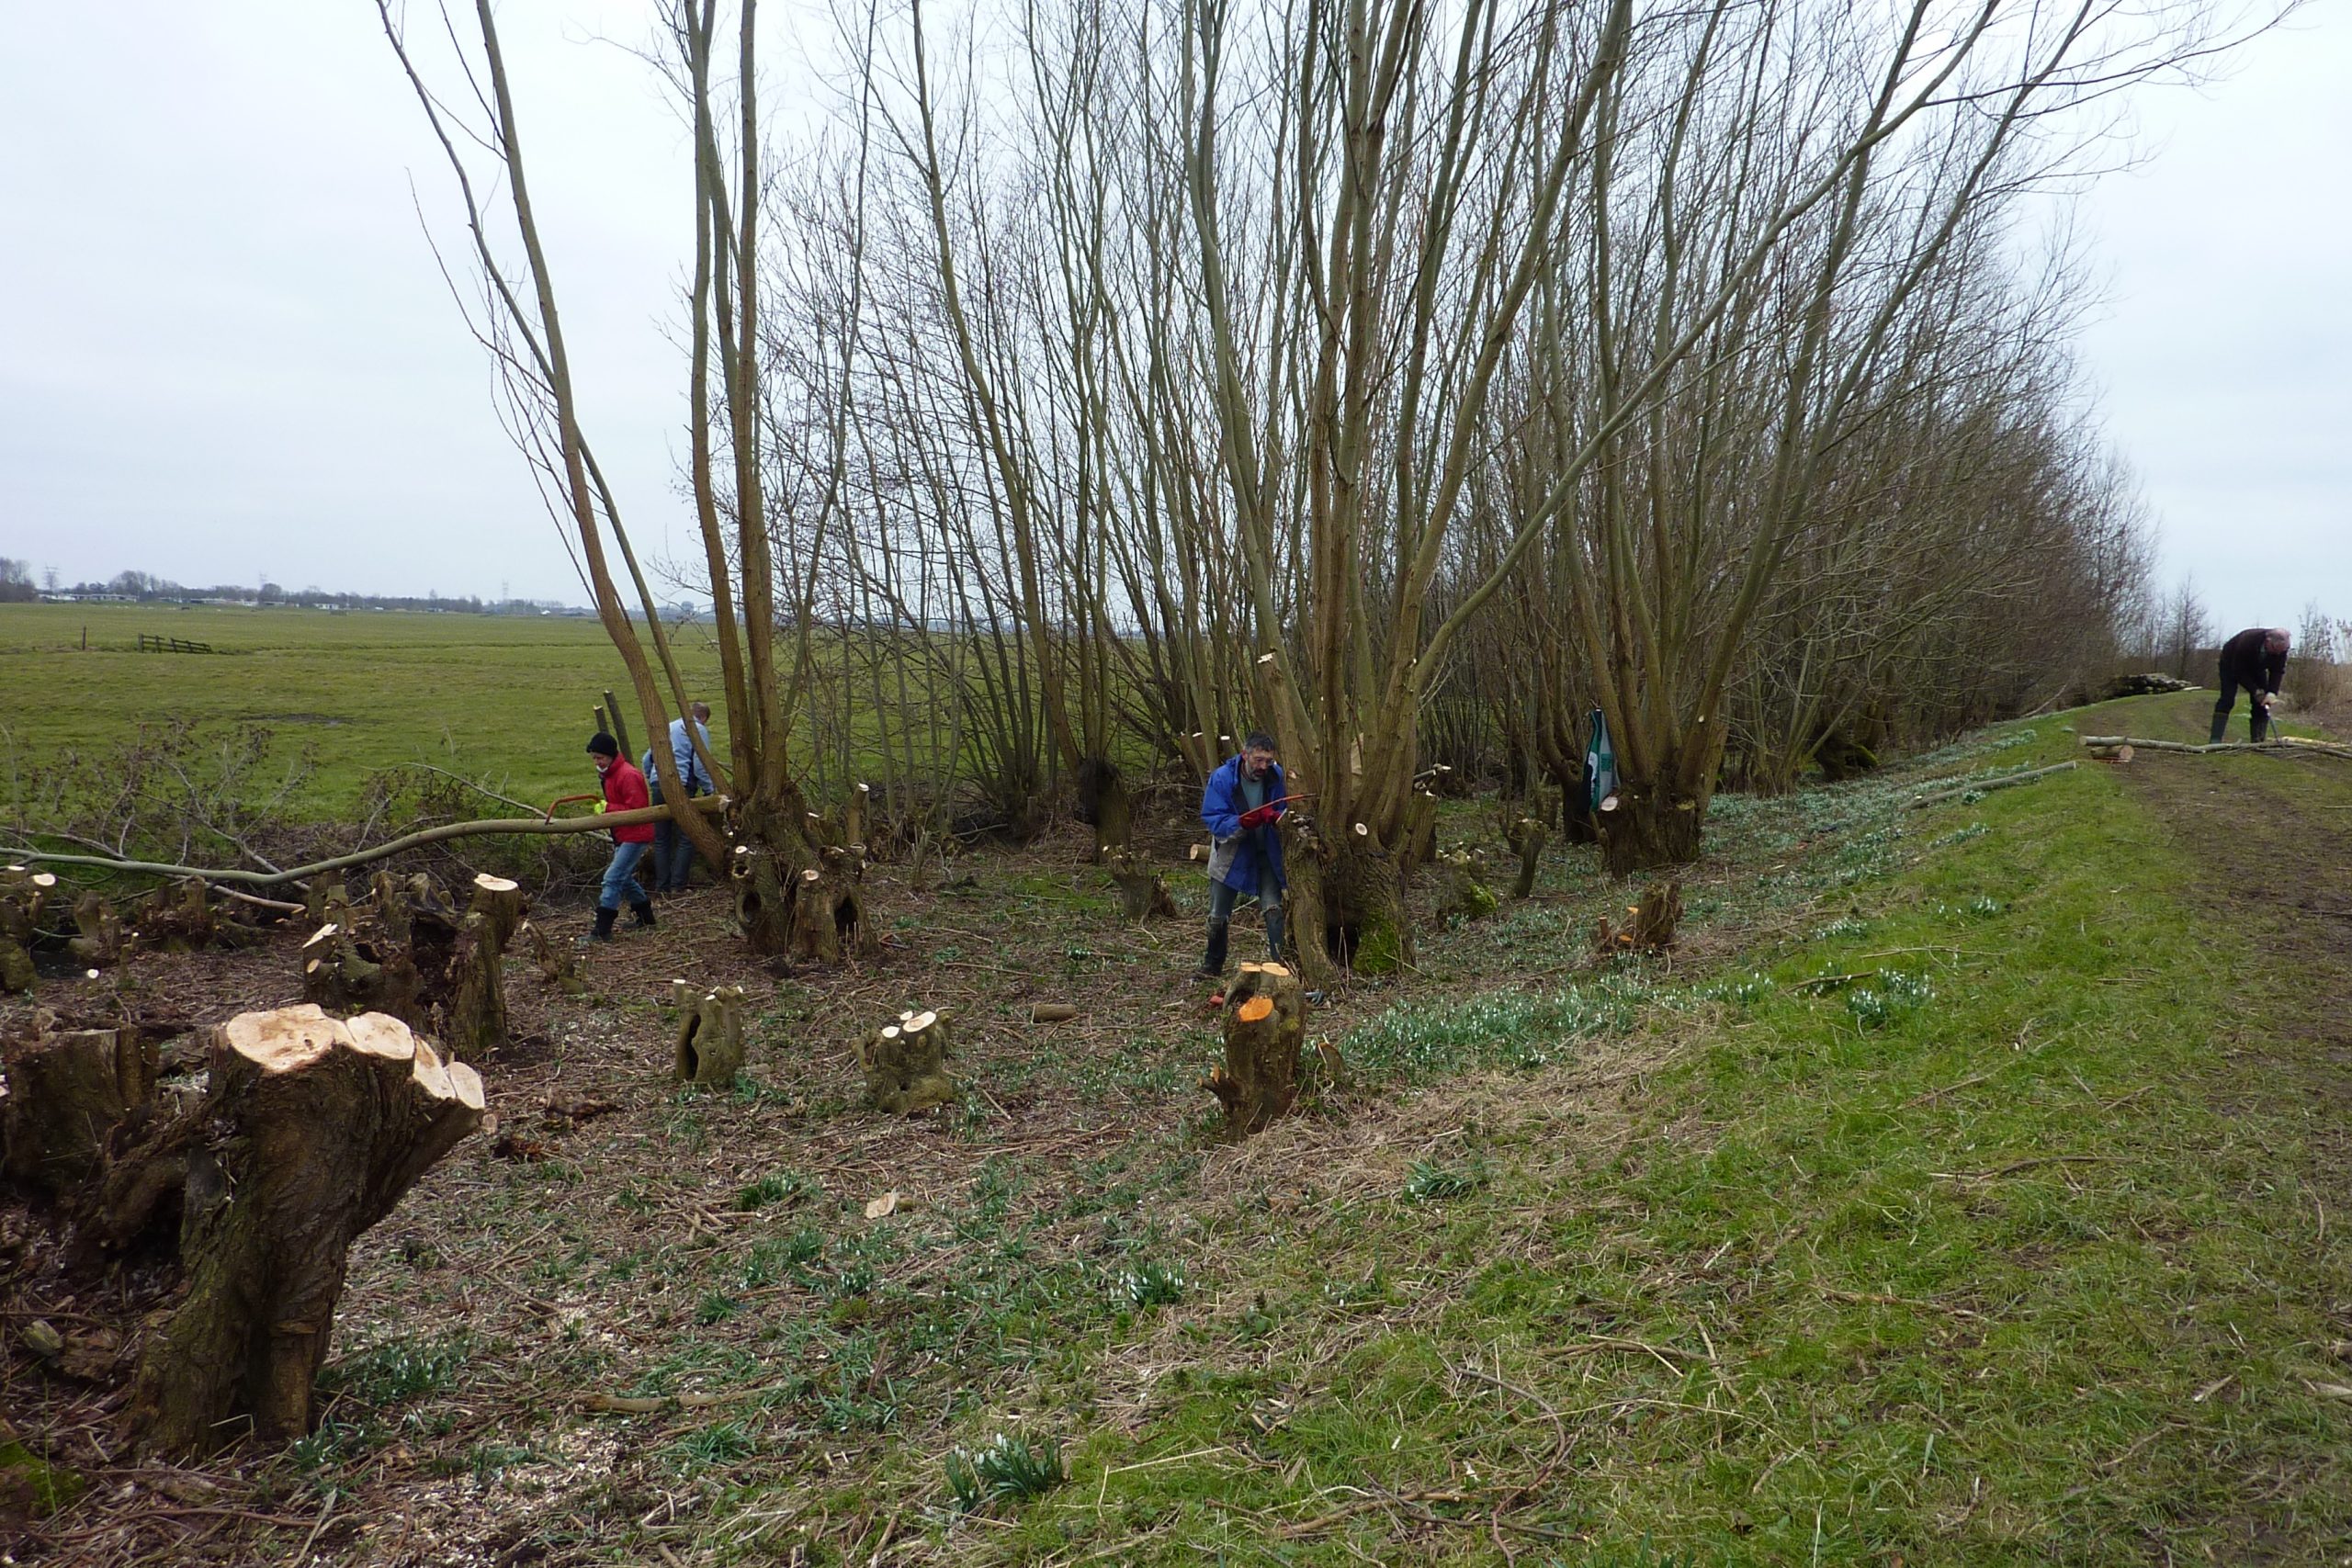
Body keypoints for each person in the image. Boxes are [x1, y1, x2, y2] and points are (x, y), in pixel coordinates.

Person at [1197, 731, 1287, 978]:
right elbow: (1213, 818)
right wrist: (1242, 823)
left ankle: (1281, 968)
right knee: (1218, 914)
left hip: (1267, 854)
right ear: (1244, 755)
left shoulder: (1276, 776)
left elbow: (1283, 808)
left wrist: (1277, 818)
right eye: (1258, 760)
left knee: (1274, 909)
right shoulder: (1222, 778)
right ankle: (1212, 966)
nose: (1263, 767)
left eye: (1268, 761)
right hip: (1230, 856)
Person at [585, 731, 656, 941]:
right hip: (623, 833)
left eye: (600, 758)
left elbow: (637, 811)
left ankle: (602, 930)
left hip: (635, 834)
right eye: (594, 758)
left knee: (612, 878)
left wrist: (607, 808)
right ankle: (646, 917)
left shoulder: (628, 775)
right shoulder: (610, 775)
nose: (597, 762)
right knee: (623, 878)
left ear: (610, 755)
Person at [642, 702, 715, 893]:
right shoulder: (697, 729)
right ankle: (677, 885)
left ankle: (662, 886)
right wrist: (709, 789)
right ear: (703, 718)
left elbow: (646, 759)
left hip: (658, 781)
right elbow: (700, 763)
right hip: (681, 783)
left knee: (661, 838)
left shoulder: (668, 727)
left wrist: (652, 778)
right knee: (687, 835)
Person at [2211, 626, 2290, 743]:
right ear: (2268, 641)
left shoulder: (2281, 649)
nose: (2278, 654)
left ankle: (2258, 741)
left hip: (2257, 668)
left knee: (2262, 703)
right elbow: (2239, 672)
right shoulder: (2247, 641)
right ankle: (2215, 739)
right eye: (2275, 649)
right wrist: (2255, 690)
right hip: (2231, 664)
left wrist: (2272, 692)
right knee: (2227, 699)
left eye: (2282, 651)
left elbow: (2277, 671)